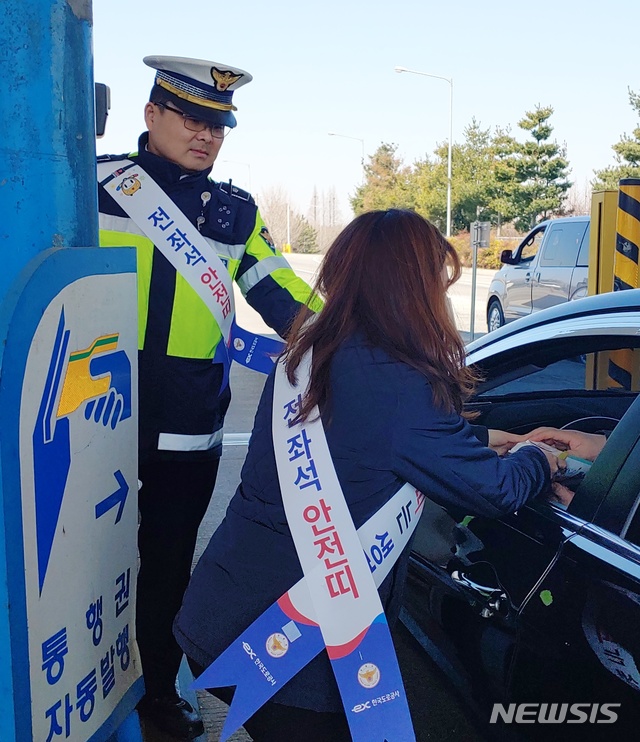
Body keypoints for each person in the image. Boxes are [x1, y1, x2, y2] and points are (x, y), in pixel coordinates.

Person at [173, 209, 561, 742]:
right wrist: (542, 458)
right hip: (291, 647)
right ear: (414, 288)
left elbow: (375, 443)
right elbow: (494, 489)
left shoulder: (315, 352)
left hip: (227, 607)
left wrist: (499, 439)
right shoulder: (398, 379)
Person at [97, 55, 321, 739]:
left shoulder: (236, 213)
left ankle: (159, 690)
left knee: (168, 563)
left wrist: (352, 346)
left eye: (218, 125)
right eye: (193, 118)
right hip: (94, 418)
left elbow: (289, 301)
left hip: (189, 426)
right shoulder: (94, 185)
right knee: (82, 560)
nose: (207, 135)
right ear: (151, 115)